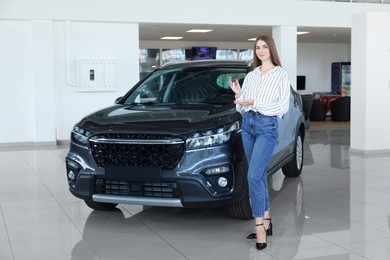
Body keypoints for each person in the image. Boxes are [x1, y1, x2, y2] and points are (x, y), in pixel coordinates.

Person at [229, 35, 290, 250]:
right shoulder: (252, 75)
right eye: (257, 47)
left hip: (266, 127)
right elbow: (244, 106)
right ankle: (267, 219)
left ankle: (259, 227)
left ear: (271, 49)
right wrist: (240, 95)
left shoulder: (280, 74)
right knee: (259, 174)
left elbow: (282, 107)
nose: (261, 50)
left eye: (264, 47)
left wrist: (256, 101)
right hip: (248, 125)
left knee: (253, 175)